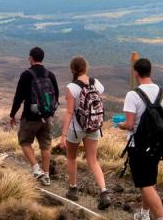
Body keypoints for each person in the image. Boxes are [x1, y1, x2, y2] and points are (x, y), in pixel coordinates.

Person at [115, 57, 163, 220]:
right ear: (151, 72)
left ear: (136, 73)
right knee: (149, 180)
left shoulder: (133, 95)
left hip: (139, 146)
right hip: (158, 145)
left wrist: (120, 125)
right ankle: (144, 213)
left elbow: (130, 124)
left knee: (145, 184)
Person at [61, 56, 110, 208]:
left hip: (76, 129)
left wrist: (63, 135)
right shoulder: (97, 84)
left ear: (72, 69)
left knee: (71, 158)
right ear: (86, 68)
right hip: (93, 126)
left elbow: (69, 112)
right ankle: (103, 192)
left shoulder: (71, 87)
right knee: (93, 160)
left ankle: (73, 189)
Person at [9, 46, 60, 186]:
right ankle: (47, 175)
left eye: (29, 57)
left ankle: (36, 169)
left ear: (31, 58)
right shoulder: (50, 75)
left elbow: (18, 97)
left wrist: (12, 114)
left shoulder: (26, 75)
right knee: (45, 146)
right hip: (47, 117)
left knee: (24, 141)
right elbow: (56, 96)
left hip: (30, 116)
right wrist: (50, 113)